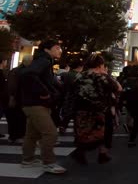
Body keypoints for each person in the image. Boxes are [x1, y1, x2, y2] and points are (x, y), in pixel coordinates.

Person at [19, 40, 66, 174]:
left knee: (32, 134)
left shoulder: (43, 60)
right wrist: (44, 92)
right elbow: (28, 75)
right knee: (50, 133)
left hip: (32, 103)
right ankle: (49, 163)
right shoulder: (44, 60)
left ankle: (28, 160)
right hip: (36, 104)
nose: (59, 51)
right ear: (47, 49)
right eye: (57, 48)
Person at [71, 54, 121, 165]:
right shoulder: (101, 76)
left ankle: (80, 153)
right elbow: (118, 88)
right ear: (100, 65)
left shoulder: (79, 76)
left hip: (81, 109)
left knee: (84, 132)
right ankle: (102, 154)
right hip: (99, 109)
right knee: (104, 132)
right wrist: (107, 75)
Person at [5, 55, 33, 143]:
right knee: (17, 117)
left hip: (18, 97)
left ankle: (14, 136)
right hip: (18, 98)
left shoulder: (16, 70)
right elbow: (12, 86)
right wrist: (12, 97)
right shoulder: (19, 71)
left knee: (16, 118)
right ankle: (16, 136)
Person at [58, 58, 84, 134]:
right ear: (80, 66)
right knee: (76, 115)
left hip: (64, 96)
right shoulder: (80, 76)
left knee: (67, 113)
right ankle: (77, 131)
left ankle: (63, 125)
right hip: (76, 98)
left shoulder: (64, 74)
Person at [0, 56, 8, 139]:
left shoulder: (2, 72)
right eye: (6, 61)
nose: (6, 63)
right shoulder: (0, 73)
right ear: (2, 62)